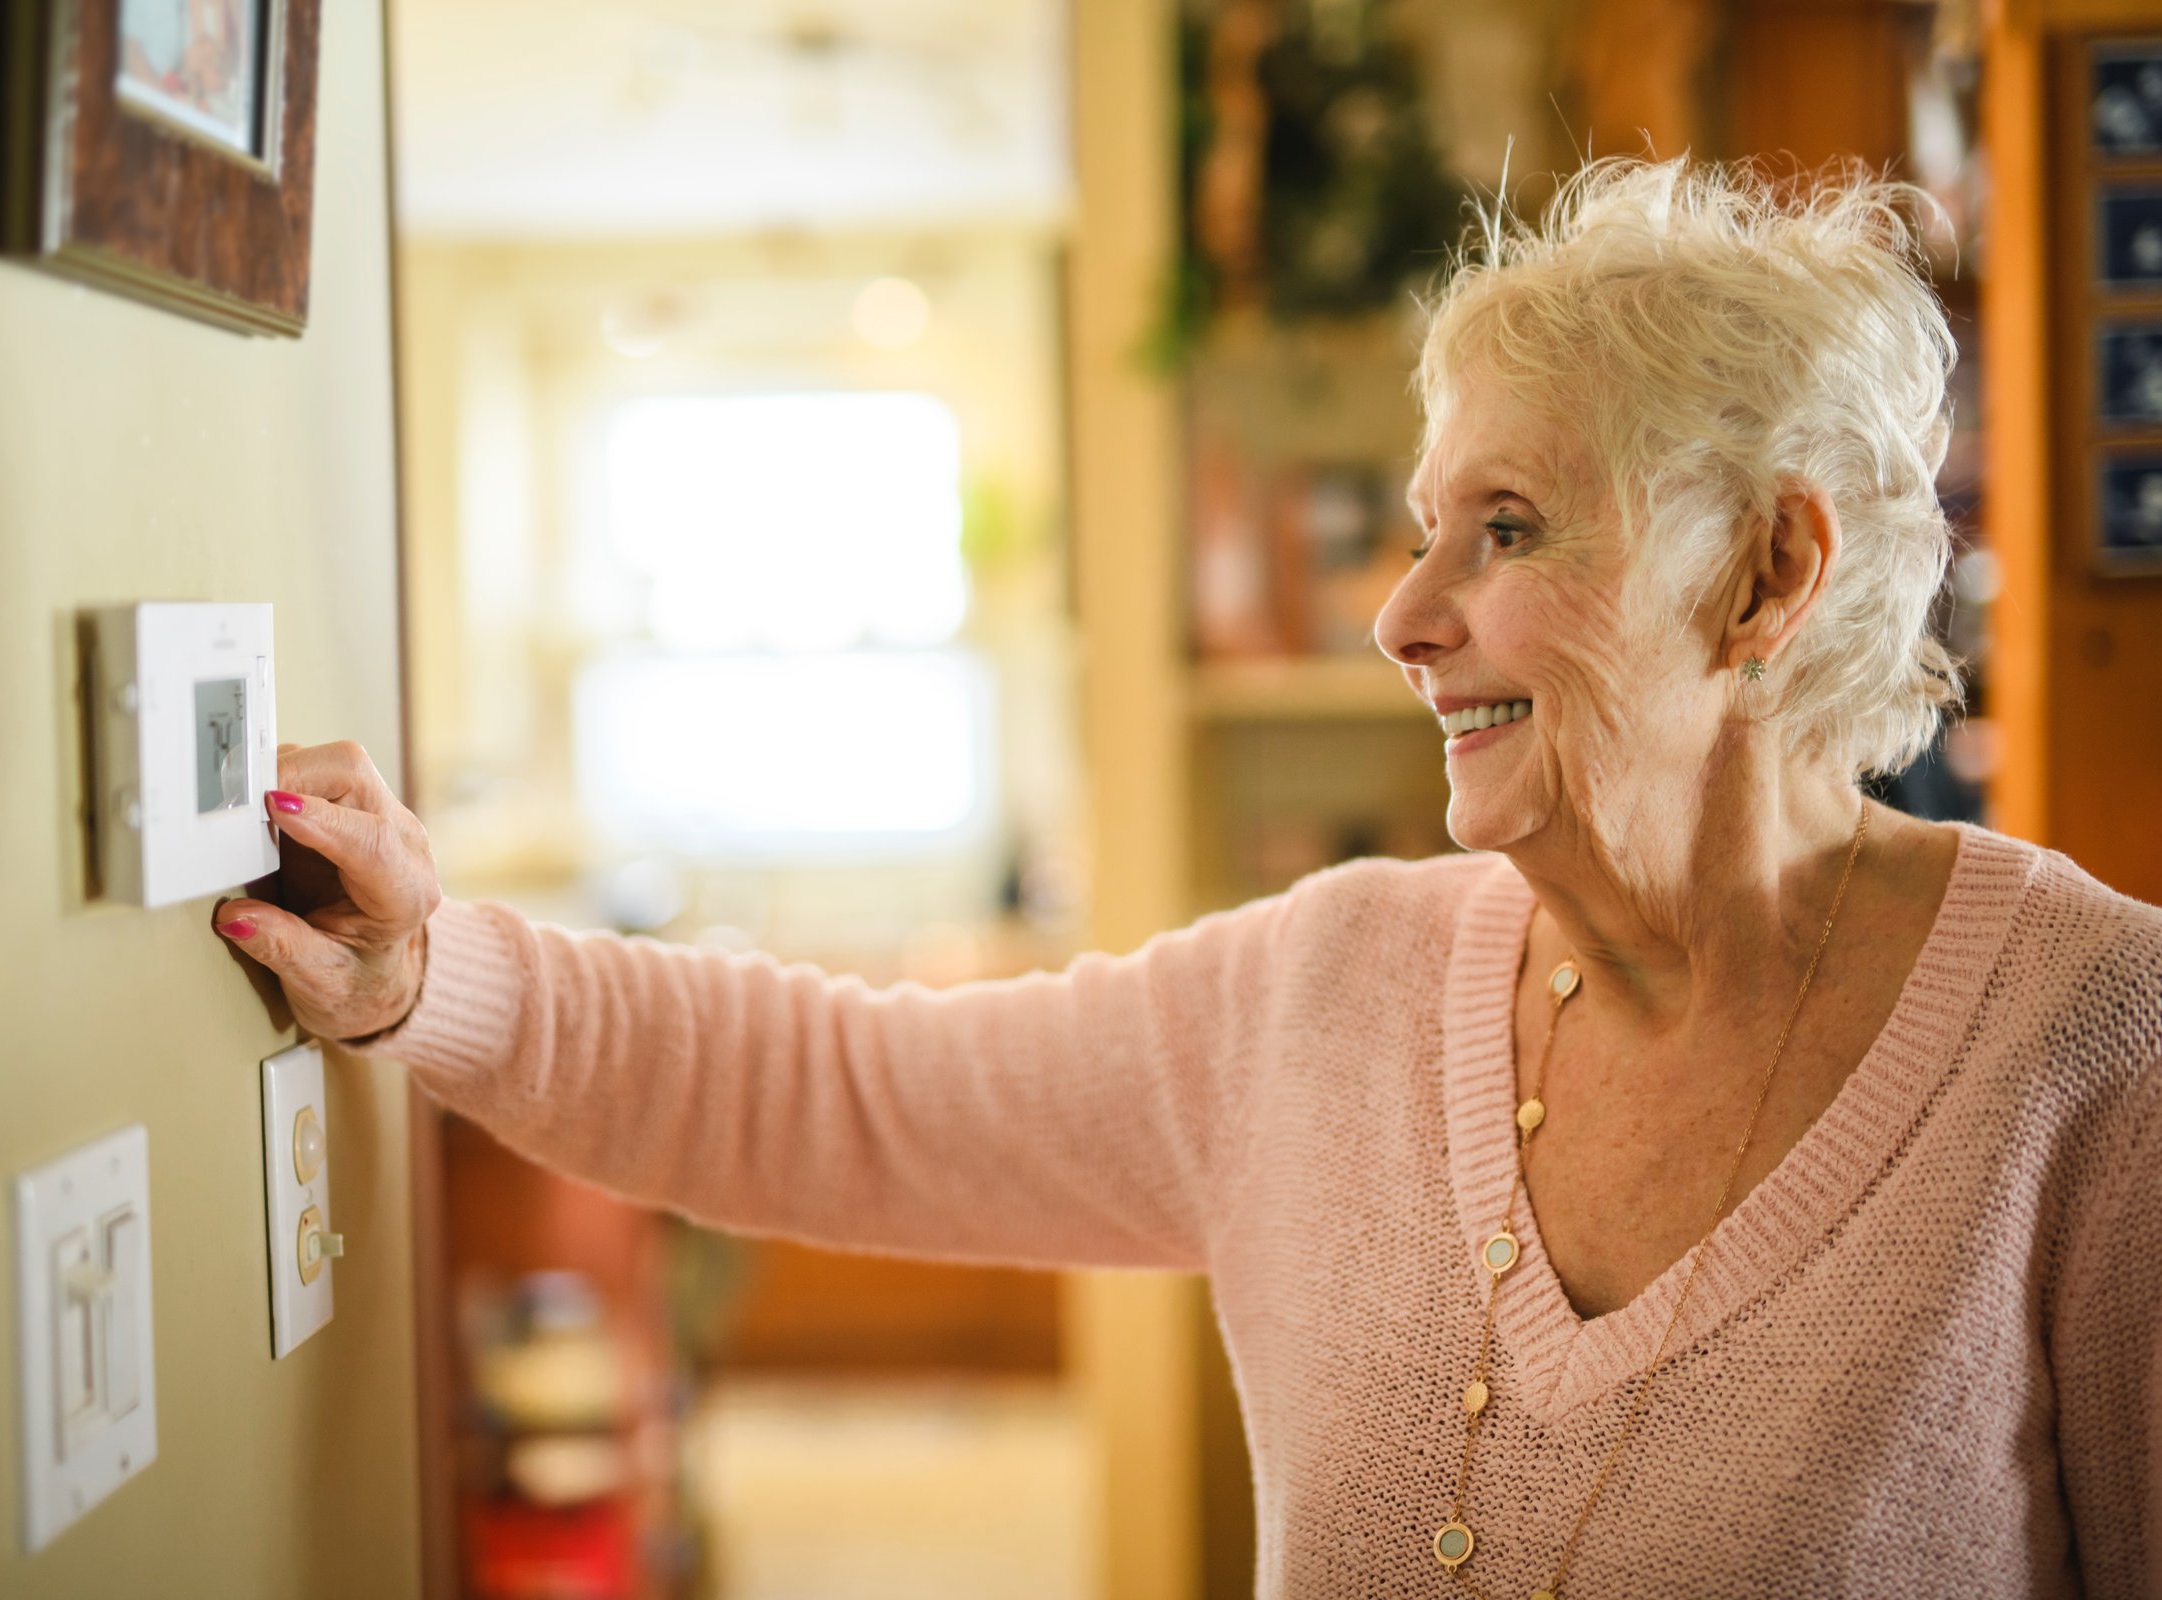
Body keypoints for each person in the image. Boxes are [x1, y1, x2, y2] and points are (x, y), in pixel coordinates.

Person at [213, 157, 2162, 1597]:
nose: (1404, 613)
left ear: (1765, 575)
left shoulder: (2095, 1045)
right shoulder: (1334, 989)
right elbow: (838, 1091)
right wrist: (421, 977)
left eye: (1506, 526)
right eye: (1422, 529)